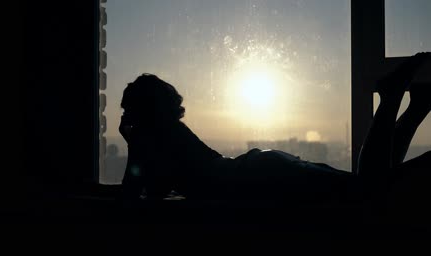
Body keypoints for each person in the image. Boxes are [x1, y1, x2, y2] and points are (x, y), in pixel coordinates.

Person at [119, 53, 430, 207]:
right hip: (261, 169)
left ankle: (394, 98)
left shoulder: (152, 139)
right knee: (369, 189)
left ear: (138, 110)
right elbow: (157, 190)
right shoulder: (170, 132)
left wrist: (131, 143)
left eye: (127, 108)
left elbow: (133, 201)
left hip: (259, 178)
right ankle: (416, 107)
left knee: (367, 194)